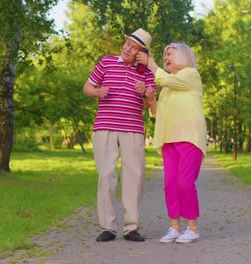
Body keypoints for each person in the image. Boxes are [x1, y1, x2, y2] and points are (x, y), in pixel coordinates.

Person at [83, 28, 157, 242]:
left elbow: (151, 107)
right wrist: (97, 92)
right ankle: (107, 227)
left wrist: (146, 93)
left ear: (141, 53)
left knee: (134, 176)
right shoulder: (106, 62)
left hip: (133, 129)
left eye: (134, 47)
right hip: (104, 127)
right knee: (106, 175)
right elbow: (87, 87)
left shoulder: (146, 72)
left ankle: (131, 227)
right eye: (127, 43)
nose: (128, 48)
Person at [137, 42, 207, 243]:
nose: (166, 57)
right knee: (170, 184)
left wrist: (150, 62)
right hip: (169, 139)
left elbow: (164, 79)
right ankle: (174, 227)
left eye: (170, 53)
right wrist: (150, 99)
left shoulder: (191, 75)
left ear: (184, 57)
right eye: (164, 54)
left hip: (189, 137)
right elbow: (157, 113)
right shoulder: (168, 86)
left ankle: (192, 228)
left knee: (185, 183)